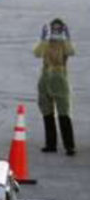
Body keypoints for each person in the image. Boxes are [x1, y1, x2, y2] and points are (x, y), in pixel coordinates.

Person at [35, 18, 76, 156]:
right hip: (45, 80)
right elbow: (37, 53)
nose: (56, 31)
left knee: (64, 114)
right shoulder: (46, 44)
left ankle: (69, 145)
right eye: (54, 28)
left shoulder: (63, 44)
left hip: (60, 80)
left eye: (59, 29)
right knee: (47, 114)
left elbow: (71, 52)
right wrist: (43, 39)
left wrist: (67, 39)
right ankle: (50, 144)